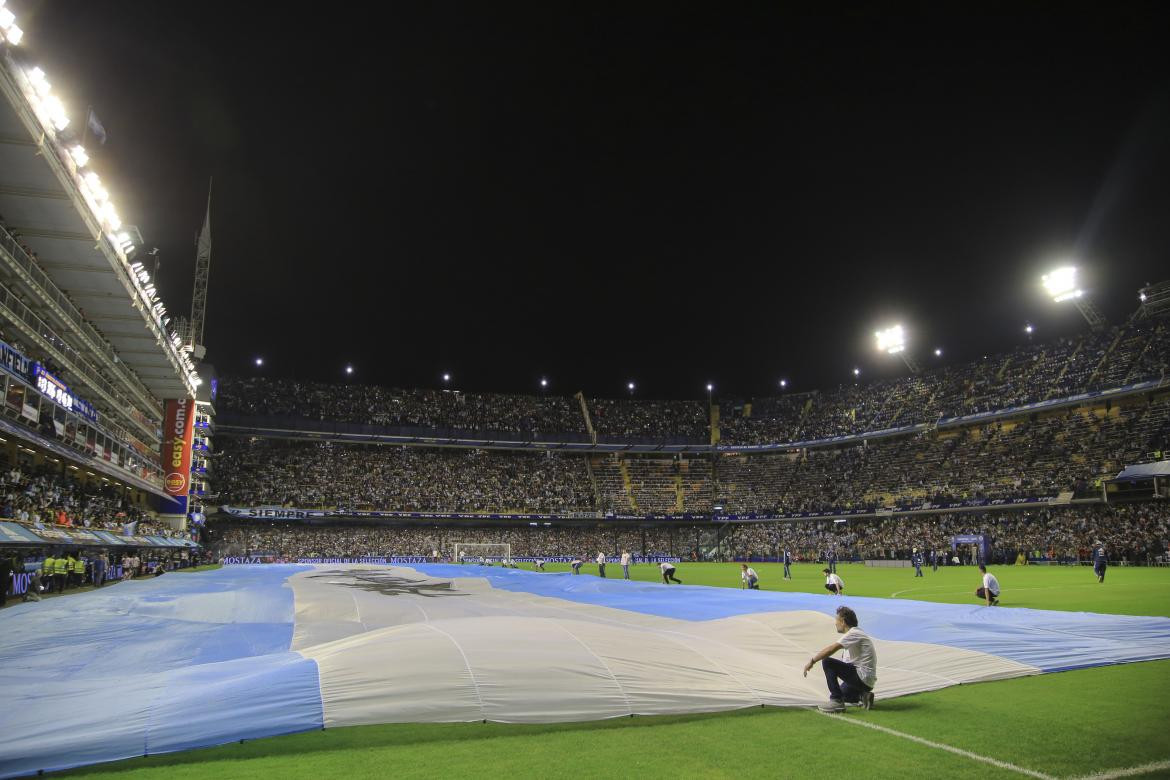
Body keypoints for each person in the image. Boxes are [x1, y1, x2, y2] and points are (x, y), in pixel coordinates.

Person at [803, 605, 877, 712]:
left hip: (862, 678)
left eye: (836, 620)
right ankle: (863, 696)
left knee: (828, 662)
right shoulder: (855, 635)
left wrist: (812, 661)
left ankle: (837, 702)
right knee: (842, 692)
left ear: (843, 621)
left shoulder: (853, 634)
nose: (835, 623)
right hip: (865, 680)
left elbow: (830, 649)